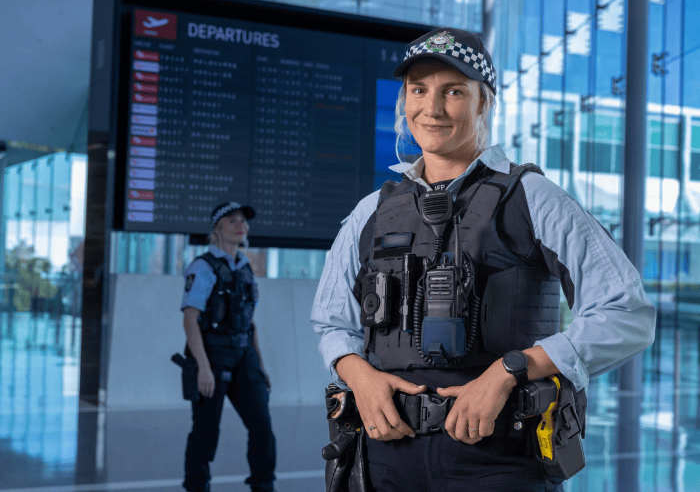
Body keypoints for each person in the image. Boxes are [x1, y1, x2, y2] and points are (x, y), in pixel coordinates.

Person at [311, 28, 656, 491]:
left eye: (453, 92)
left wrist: (510, 369)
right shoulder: (371, 210)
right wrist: (361, 377)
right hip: (386, 456)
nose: (431, 109)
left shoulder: (532, 198)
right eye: (419, 90)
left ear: (484, 103)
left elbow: (626, 315)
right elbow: (333, 323)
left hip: (500, 459)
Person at [181, 201, 276, 492]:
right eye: (232, 220)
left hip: (244, 355)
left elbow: (250, 323)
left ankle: (263, 486)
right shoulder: (203, 266)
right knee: (206, 432)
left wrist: (259, 366)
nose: (241, 225)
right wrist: (204, 370)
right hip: (212, 355)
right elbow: (190, 321)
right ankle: (197, 487)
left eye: (244, 221)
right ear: (217, 228)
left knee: (262, 429)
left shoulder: (246, 267)